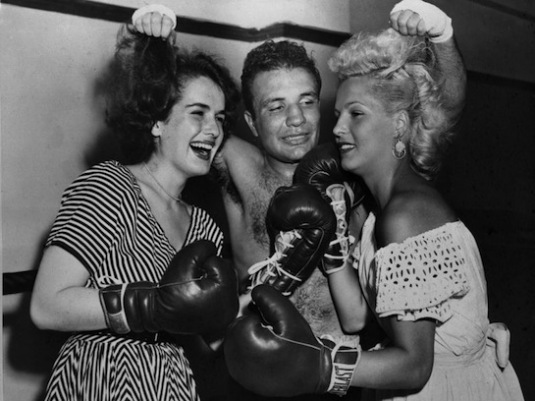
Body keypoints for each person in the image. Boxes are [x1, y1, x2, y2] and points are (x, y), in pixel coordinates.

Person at [224, 2, 526, 400]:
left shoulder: (375, 189)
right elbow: (359, 316)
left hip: (380, 378)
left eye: (308, 101)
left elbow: (438, 111)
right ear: (251, 121)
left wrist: (442, 35)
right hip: (314, 374)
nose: (299, 120)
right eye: (276, 106)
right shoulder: (247, 168)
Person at [30, 21, 241, 401]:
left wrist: (254, 301)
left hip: (171, 381)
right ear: (157, 121)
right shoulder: (110, 186)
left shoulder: (205, 226)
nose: (214, 130)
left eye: (220, 118)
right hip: (100, 376)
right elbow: (46, 306)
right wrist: (150, 305)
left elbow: (206, 341)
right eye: (198, 113)